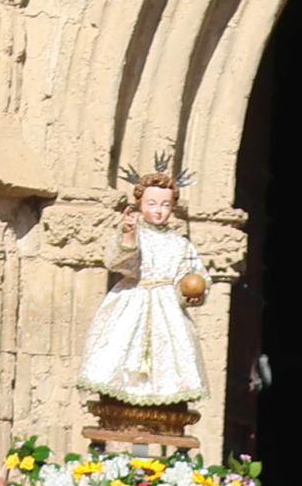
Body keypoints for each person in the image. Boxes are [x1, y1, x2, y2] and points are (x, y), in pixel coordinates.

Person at [77, 170, 208, 416]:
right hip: (132, 300)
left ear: (173, 207)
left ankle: (166, 409)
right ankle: (117, 407)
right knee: (121, 351)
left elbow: (193, 275)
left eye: (165, 205)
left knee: (169, 358)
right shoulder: (135, 235)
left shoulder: (181, 244)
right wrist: (127, 235)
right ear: (139, 203)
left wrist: (193, 292)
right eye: (152, 203)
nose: (158, 210)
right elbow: (118, 263)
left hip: (168, 309)